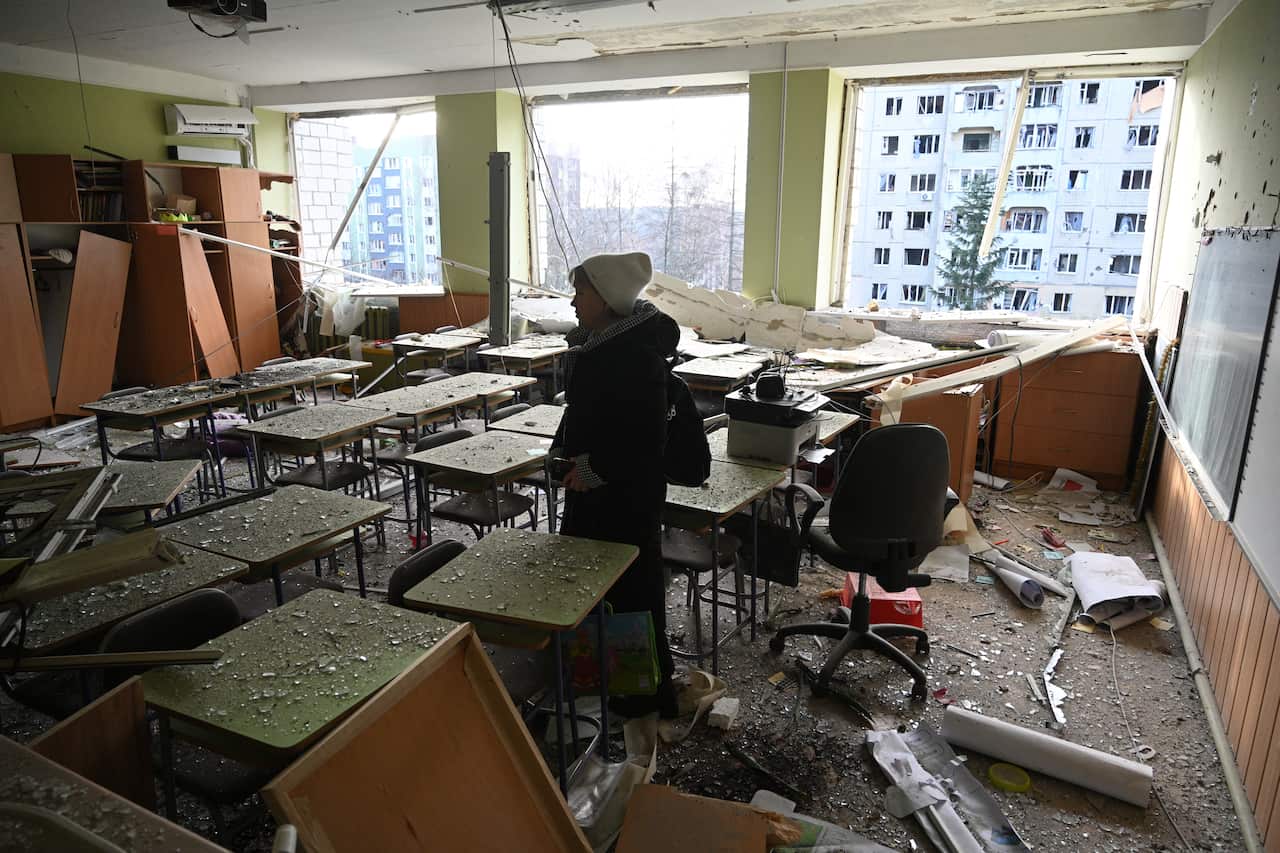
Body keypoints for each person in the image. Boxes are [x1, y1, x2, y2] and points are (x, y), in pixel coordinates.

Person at [553, 251, 680, 718]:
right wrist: (563, 448)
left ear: (606, 298)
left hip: (624, 499)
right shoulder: (599, 344)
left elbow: (646, 438)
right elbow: (586, 414)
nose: (573, 301)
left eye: (580, 292)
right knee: (593, 589)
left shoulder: (634, 355)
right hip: (597, 492)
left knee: (630, 594)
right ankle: (600, 680)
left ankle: (641, 693)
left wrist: (594, 469)